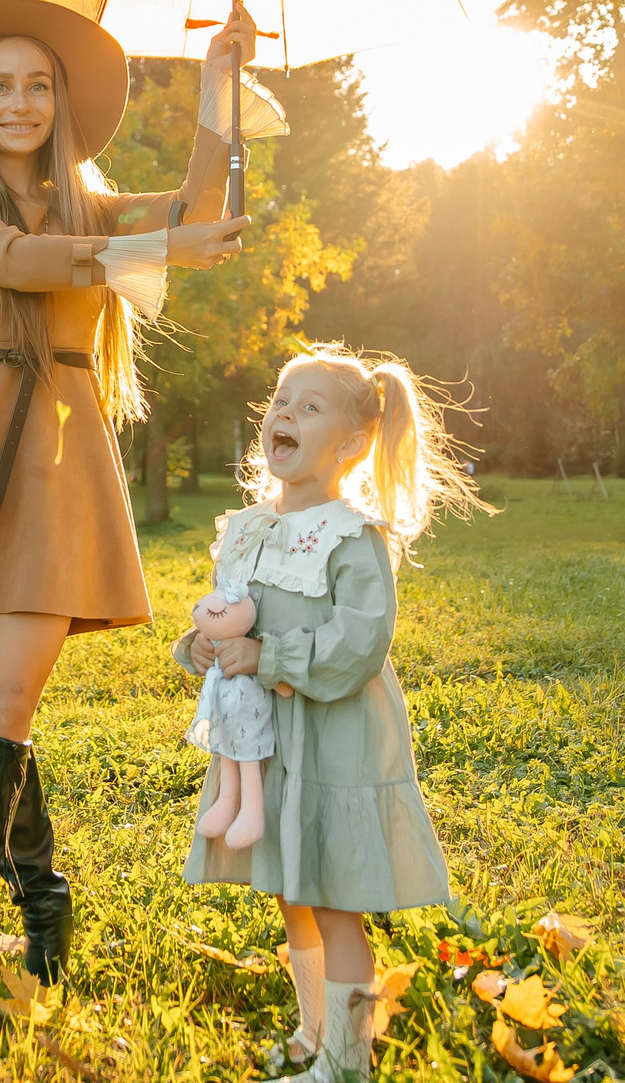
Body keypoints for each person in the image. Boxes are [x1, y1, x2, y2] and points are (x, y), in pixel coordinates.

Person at [0, 0, 267, 1020]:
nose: (20, 101)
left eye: (38, 84)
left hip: (53, 467)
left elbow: (191, 207)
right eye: (0, 84)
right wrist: (145, 254)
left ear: (61, 102)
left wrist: (218, 88)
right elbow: (12, 260)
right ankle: (47, 910)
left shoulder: (93, 212)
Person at [173, 344, 483, 1081]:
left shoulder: (351, 535)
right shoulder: (248, 527)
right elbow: (228, 610)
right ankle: (315, 1030)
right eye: (280, 401)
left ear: (349, 445)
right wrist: (204, 645)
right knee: (290, 890)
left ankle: (347, 1063)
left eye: (308, 408)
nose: (284, 414)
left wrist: (269, 658)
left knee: (333, 901)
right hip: (270, 742)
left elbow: (360, 643)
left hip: (334, 738)